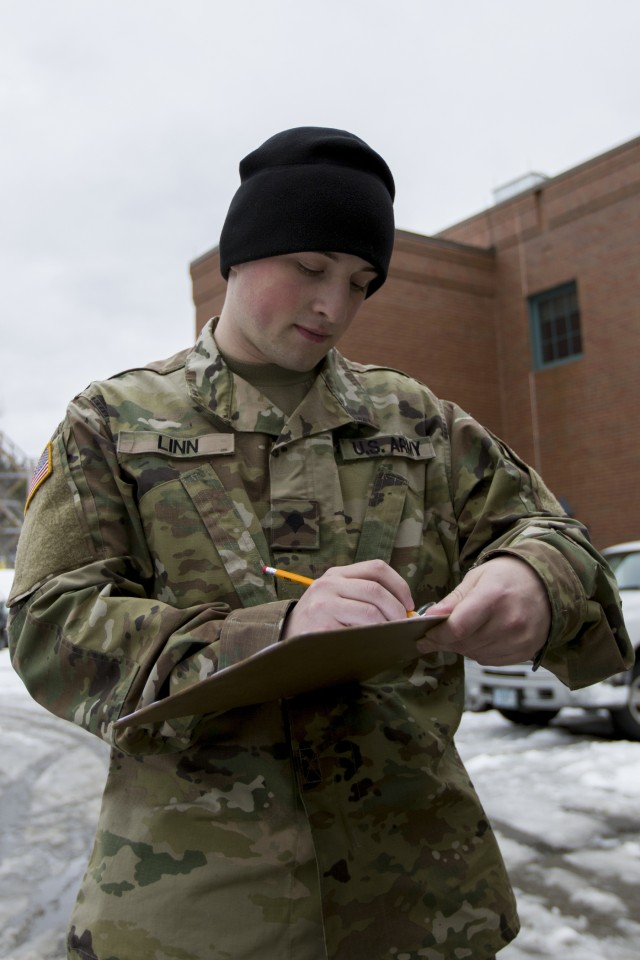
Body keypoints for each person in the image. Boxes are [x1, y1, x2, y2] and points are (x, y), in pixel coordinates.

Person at [8, 127, 632, 960]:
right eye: (309, 268)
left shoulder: (415, 422)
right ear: (238, 256)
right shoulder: (115, 425)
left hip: (420, 906)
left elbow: (554, 533)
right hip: (199, 911)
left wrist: (534, 578)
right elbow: (48, 621)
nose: (332, 305)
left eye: (360, 282)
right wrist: (273, 635)